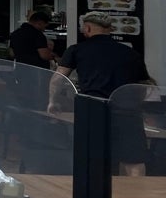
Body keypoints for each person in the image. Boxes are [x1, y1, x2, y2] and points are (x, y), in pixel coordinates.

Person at [50, 11, 153, 175]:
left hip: (93, 109)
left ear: (88, 28)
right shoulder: (130, 53)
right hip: (127, 112)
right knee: (133, 160)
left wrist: (53, 101)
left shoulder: (77, 50)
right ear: (109, 29)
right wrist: (137, 106)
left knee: (93, 157)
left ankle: (95, 195)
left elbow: (58, 79)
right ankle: (136, 197)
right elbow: (143, 84)